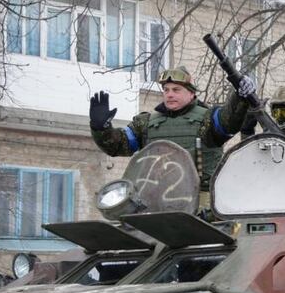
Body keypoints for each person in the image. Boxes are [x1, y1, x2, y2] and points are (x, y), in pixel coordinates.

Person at [89, 66, 256, 200]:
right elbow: (118, 145)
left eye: (176, 90)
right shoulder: (146, 123)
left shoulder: (208, 119)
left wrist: (239, 96)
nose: (169, 94)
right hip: (155, 201)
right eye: (166, 90)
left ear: (191, 93)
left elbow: (229, 121)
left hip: (201, 202)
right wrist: (101, 128)